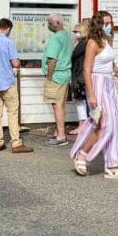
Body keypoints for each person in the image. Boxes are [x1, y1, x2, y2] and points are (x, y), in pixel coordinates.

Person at [70, 11, 118, 179]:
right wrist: (91, 95)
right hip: (97, 83)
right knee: (102, 124)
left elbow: (110, 62)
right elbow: (87, 69)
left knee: (115, 124)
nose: (109, 25)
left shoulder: (108, 40)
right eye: (106, 22)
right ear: (98, 24)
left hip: (109, 85)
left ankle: (112, 165)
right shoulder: (92, 42)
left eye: (110, 22)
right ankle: (82, 154)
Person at [0, 18, 33, 154]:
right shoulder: (8, 42)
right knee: (12, 112)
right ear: (8, 29)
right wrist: (18, 62)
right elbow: (15, 63)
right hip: (7, 82)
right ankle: (16, 143)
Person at [40, 13, 73, 146]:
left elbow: (52, 60)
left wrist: (49, 76)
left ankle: (61, 136)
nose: (48, 25)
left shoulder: (55, 38)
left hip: (56, 75)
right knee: (61, 104)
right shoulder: (67, 35)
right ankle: (59, 132)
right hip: (65, 74)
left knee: (56, 105)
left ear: (57, 23)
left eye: (50, 23)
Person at [69, 22, 88, 135]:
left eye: (76, 32)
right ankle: (83, 124)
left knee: (79, 101)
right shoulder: (81, 43)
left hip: (80, 76)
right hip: (78, 75)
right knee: (79, 101)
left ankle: (82, 125)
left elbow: (73, 55)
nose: (74, 34)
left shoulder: (82, 44)